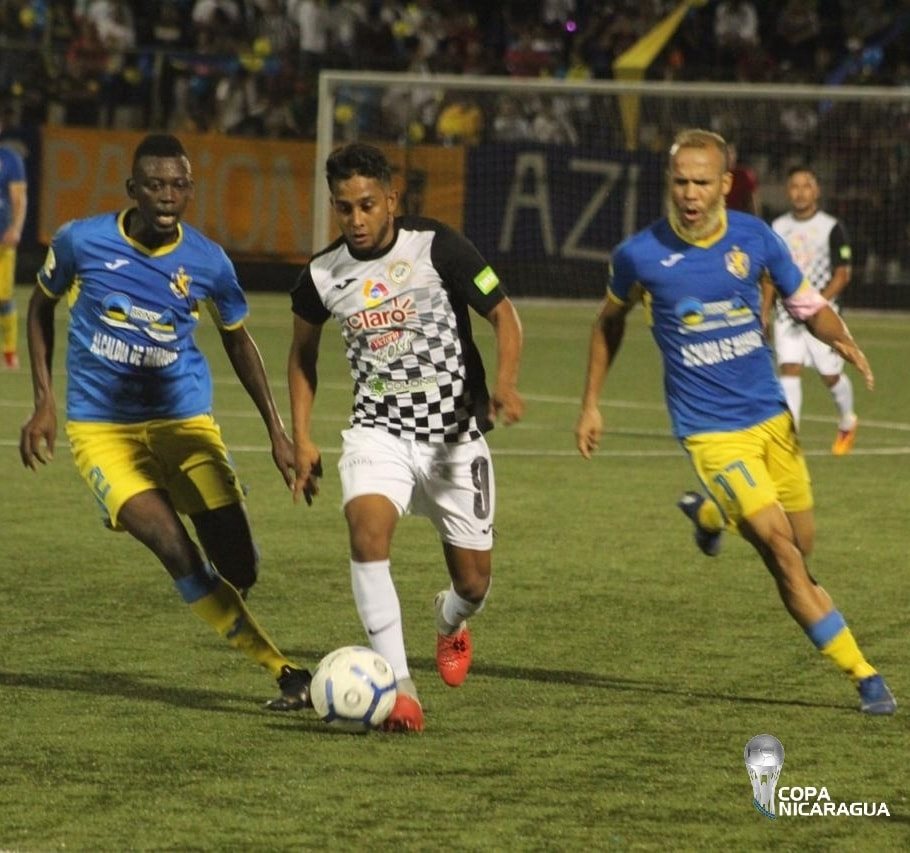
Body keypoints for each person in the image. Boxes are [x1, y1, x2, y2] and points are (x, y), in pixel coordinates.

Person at [575, 128, 895, 715]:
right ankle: (864, 674)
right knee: (781, 551)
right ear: (668, 183)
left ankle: (707, 512)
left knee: (802, 545)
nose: (690, 193)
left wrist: (841, 338)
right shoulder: (639, 255)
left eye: (702, 181)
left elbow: (804, 304)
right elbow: (608, 322)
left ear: (725, 183)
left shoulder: (756, 238)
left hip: (772, 418)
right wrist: (591, 401)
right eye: (680, 182)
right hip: (710, 432)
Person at [19, 133, 311, 711]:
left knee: (239, 565)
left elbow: (238, 341)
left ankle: (218, 522)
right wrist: (45, 400)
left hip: (183, 422)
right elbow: (40, 306)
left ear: (190, 191)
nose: (166, 196)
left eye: (177, 185)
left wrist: (278, 433)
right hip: (101, 432)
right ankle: (284, 672)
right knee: (174, 548)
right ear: (133, 189)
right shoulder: (82, 241)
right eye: (154, 184)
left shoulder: (207, 260)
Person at [287, 142, 524, 732]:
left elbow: (504, 314)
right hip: (379, 434)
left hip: (454, 439)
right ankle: (401, 689)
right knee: (366, 532)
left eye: (367, 204)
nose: (357, 219)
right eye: (345, 208)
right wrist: (302, 436)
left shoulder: (437, 245)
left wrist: (508, 384)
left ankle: (449, 621)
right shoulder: (322, 275)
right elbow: (301, 356)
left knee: (474, 583)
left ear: (391, 199)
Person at [766, 165, 857, 455]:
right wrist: (764, 310)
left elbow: (843, 275)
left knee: (830, 376)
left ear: (816, 191)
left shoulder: (832, 227)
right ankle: (790, 438)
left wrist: (815, 303)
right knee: (789, 370)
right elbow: (769, 274)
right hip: (786, 315)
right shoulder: (777, 228)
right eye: (794, 186)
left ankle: (847, 420)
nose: (800, 191)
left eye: (806, 185)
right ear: (787, 191)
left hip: (822, 316)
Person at [0, 107, 27, 368]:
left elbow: (19, 198)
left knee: (3, 297)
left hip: (2, 239)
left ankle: (8, 351)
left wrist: (16, 227)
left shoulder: (10, 159)